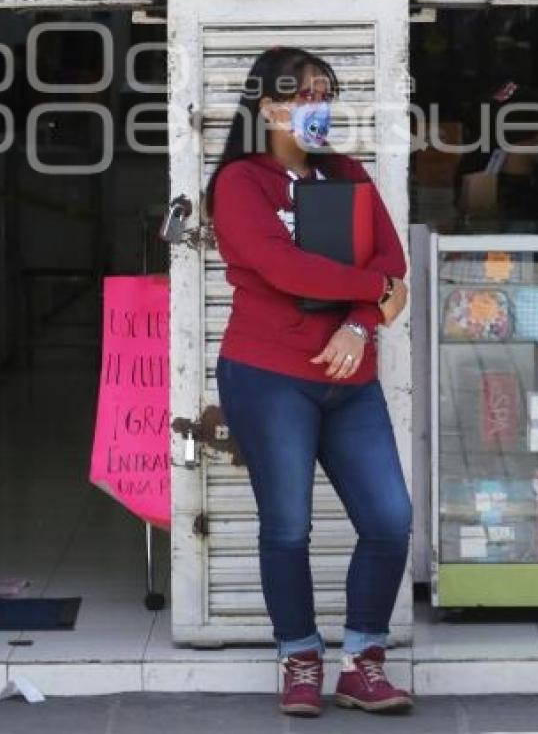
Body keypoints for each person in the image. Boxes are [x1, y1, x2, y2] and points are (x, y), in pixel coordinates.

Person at [206, 45, 413, 718]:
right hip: (269, 376)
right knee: (287, 525)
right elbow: (283, 266)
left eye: (324, 91)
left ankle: (362, 662)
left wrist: (359, 323)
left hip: (351, 375)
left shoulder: (347, 172)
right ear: (266, 105)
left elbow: (393, 259)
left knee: (389, 517)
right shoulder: (241, 182)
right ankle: (299, 656)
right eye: (299, 92)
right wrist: (375, 290)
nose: (314, 103)